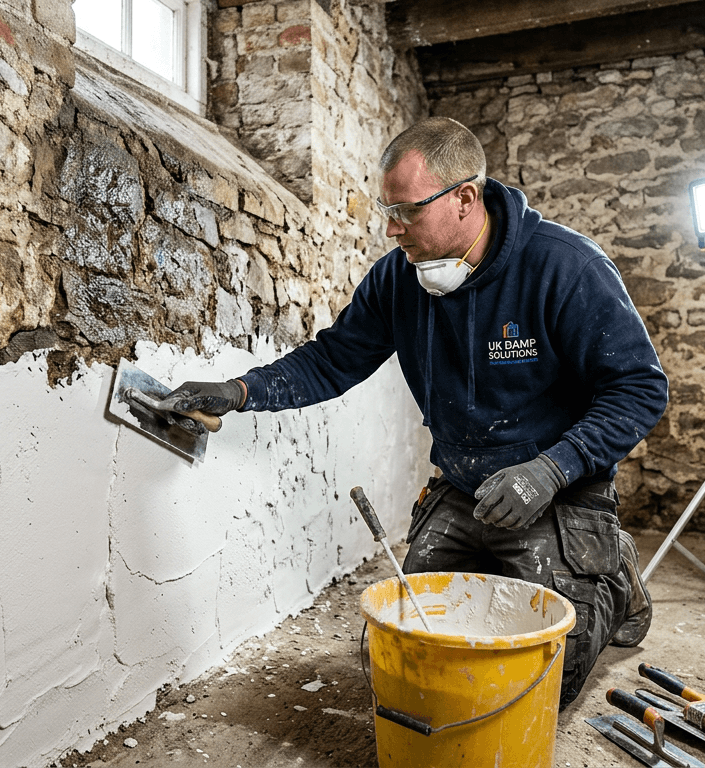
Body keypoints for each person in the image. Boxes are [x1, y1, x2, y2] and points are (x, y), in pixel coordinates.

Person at [157, 116, 669, 707]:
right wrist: (240, 390)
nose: (392, 228)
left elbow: (639, 388)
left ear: (465, 199)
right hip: (465, 485)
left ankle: (613, 568)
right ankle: (521, 561)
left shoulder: (565, 267)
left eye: (407, 211)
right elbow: (333, 360)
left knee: (542, 681)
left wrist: (551, 470)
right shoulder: (398, 280)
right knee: (412, 652)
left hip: (557, 489)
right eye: (388, 211)